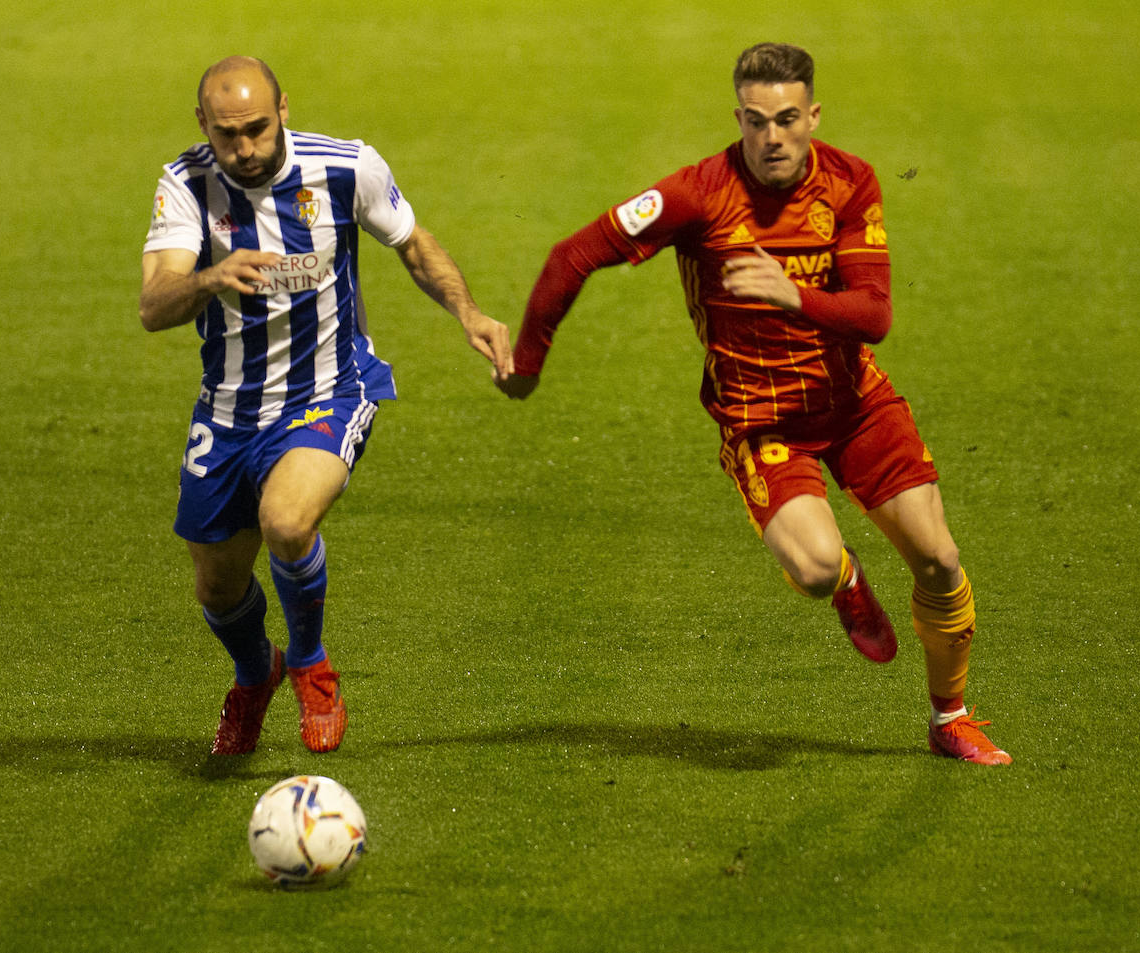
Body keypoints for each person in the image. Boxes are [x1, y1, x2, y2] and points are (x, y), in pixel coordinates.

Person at [498, 42, 1010, 764]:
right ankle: (849, 582)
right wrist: (528, 361)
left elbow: (875, 315)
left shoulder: (851, 182)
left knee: (939, 558)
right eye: (757, 119)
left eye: (788, 118)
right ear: (738, 116)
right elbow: (573, 254)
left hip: (854, 402)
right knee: (812, 568)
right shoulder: (696, 194)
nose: (772, 136)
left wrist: (790, 293)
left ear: (813, 116)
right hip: (761, 420)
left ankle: (949, 716)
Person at [140, 55, 512, 755]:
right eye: (228, 136)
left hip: (328, 390)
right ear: (203, 127)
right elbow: (153, 304)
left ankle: (310, 662)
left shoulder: (345, 168)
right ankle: (259, 673)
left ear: (284, 109)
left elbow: (412, 244)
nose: (244, 149)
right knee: (217, 590)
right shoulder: (186, 184)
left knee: (286, 520)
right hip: (227, 411)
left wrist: (467, 312)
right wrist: (213, 274)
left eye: (256, 128)